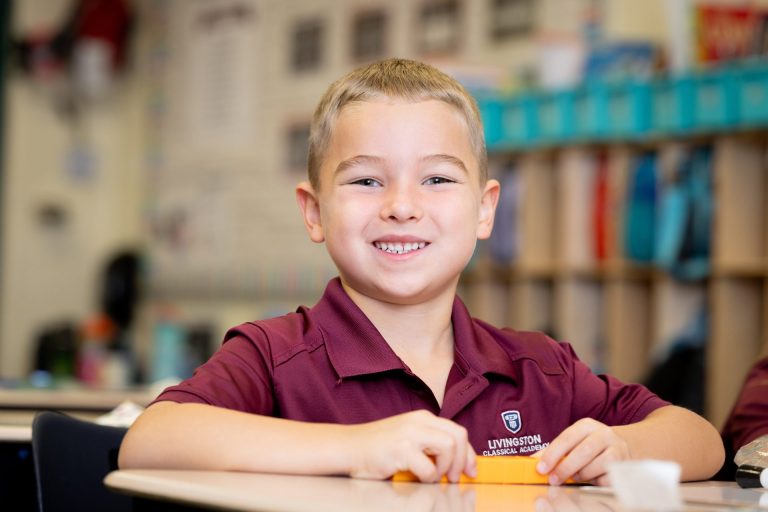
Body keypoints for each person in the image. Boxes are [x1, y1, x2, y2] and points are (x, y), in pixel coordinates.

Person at [119, 58, 724, 486]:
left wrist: (622, 447)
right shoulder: (275, 357)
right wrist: (356, 447)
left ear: (485, 209)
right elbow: (150, 441)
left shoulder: (538, 370)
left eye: (436, 178)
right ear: (314, 212)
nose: (402, 205)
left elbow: (701, 439)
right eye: (365, 180)